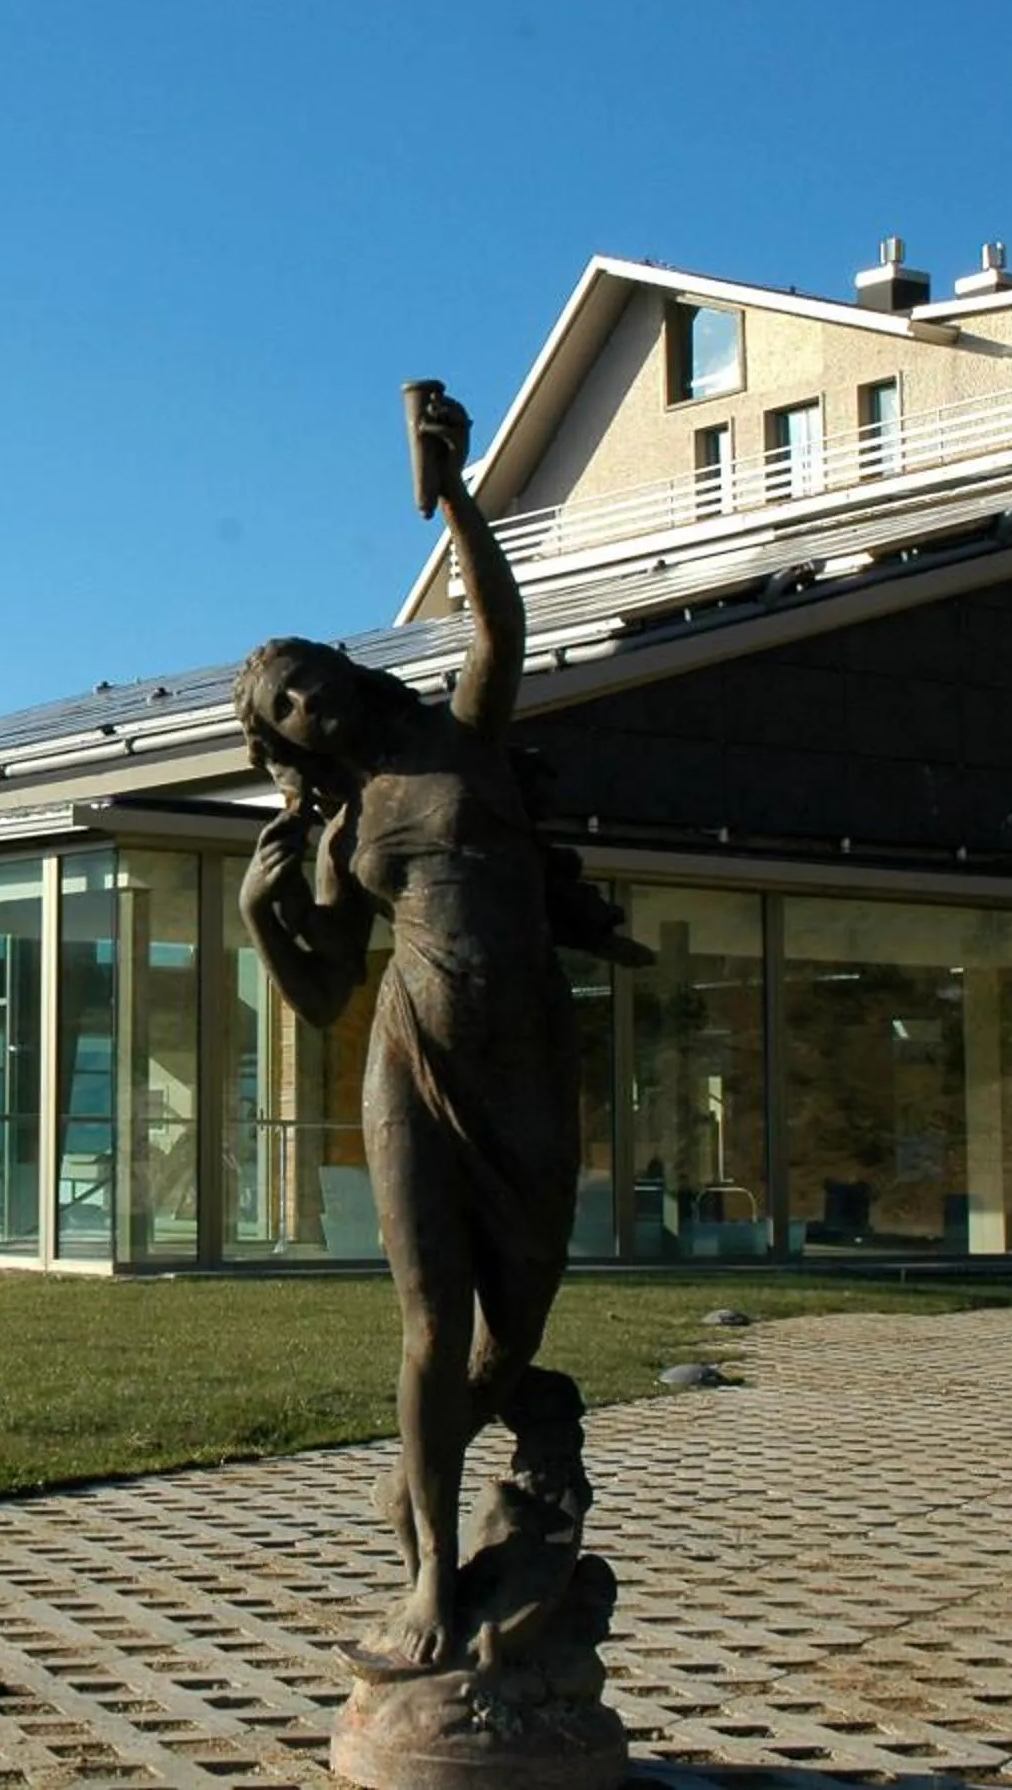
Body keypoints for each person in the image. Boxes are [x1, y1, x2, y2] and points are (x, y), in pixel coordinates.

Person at [233, 382, 587, 1674]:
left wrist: (454, 497)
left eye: (313, 678)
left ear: (349, 671)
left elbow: (501, 622)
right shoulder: (335, 835)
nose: (309, 703)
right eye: (286, 706)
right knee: (434, 1325)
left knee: (512, 1331)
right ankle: (433, 1565)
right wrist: (261, 918)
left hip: (527, 1052)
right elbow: (325, 994)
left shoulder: (464, 735)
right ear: (281, 739)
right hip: (413, 1058)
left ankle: (431, 1468)